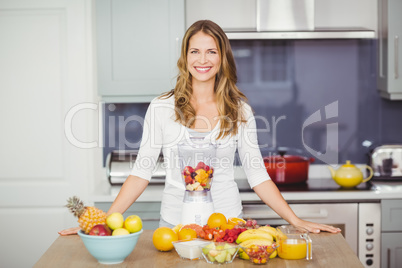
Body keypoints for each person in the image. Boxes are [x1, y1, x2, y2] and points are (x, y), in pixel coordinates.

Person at [59, 20, 340, 236]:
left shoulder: (240, 110)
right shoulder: (161, 107)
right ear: (185, 57)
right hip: (174, 224)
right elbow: (141, 172)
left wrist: (295, 220)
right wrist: (104, 223)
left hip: (227, 224)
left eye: (211, 51)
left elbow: (257, 175)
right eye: (195, 51)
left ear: (222, 58)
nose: (202, 60)